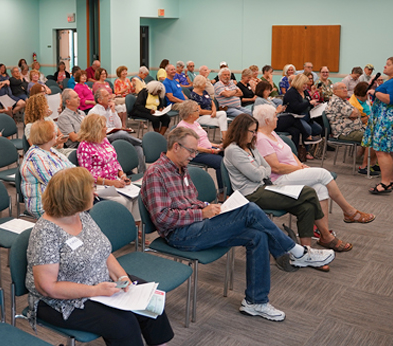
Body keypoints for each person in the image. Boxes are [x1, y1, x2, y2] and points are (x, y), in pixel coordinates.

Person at [141, 126, 334, 321]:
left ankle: (255, 302)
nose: (194, 155)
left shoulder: (181, 168)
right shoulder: (156, 173)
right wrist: (201, 213)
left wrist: (211, 207)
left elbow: (190, 201)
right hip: (180, 235)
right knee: (249, 209)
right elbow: (163, 218)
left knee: (257, 236)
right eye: (192, 151)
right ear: (176, 147)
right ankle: (296, 252)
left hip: (196, 226)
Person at [26, 166, 174, 345]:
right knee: (123, 324)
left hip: (97, 282)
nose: (94, 193)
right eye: (91, 189)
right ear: (75, 196)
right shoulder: (45, 232)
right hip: (58, 301)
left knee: (151, 301)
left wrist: (122, 276)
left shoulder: (81, 215)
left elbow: (103, 252)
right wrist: (94, 291)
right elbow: (47, 287)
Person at [223, 114, 352, 254]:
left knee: (307, 206)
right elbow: (256, 175)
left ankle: (306, 251)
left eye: (255, 131)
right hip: (250, 194)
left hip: (264, 187)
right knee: (308, 192)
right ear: (241, 130)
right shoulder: (233, 150)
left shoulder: (250, 147)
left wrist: (261, 170)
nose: (254, 135)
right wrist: (262, 170)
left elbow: (266, 168)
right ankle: (326, 235)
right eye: (252, 131)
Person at [253, 104, 375, 232]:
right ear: (267, 121)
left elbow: (290, 152)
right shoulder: (261, 139)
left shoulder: (271, 133)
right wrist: (299, 169)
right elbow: (276, 168)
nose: (277, 118)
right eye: (274, 116)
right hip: (279, 179)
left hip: (292, 172)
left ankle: (323, 233)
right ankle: (349, 211)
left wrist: (299, 164)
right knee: (323, 174)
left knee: (320, 188)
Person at [77, 114, 140, 221]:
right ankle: (124, 231)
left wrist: (122, 175)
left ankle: (135, 230)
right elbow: (88, 176)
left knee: (138, 196)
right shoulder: (84, 147)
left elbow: (114, 161)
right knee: (124, 202)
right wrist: (111, 183)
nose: (106, 129)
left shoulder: (104, 140)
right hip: (100, 185)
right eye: (104, 126)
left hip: (115, 180)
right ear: (95, 129)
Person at [20, 120, 74, 218]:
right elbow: (54, 181)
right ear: (47, 135)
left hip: (61, 196)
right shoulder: (34, 156)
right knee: (84, 208)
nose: (56, 134)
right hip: (45, 204)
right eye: (54, 132)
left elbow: (72, 168)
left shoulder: (52, 150)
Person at [89, 89, 146, 173]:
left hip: (116, 134)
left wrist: (113, 111)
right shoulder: (93, 112)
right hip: (104, 138)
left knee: (138, 148)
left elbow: (119, 126)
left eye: (109, 95)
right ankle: (142, 142)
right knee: (122, 133)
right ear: (99, 100)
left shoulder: (110, 108)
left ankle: (142, 173)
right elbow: (96, 132)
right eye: (106, 96)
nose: (109, 97)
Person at [176, 100, 224, 189]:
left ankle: (231, 189)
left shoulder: (196, 123)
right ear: (190, 114)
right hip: (195, 154)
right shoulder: (183, 127)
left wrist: (217, 146)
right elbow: (191, 147)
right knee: (220, 162)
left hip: (206, 149)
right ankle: (223, 192)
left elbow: (203, 140)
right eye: (197, 110)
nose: (199, 112)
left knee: (228, 155)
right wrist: (211, 151)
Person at [363, 57, 393, 194]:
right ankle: (391, 180)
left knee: (382, 151)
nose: (385, 66)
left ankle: (385, 183)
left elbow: (389, 99)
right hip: (384, 119)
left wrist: (375, 92)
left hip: (386, 121)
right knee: (388, 151)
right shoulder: (390, 81)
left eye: (388, 64)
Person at [254, 81, 306, 150]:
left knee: (295, 131)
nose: (269, 92)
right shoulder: (259, 101)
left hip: (276, 119)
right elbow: (262, 117)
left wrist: (281, 110)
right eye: (267, 90)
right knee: (291, 117)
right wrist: (277, 111)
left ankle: (294, 153)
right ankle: (307, 136)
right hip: (269, 123)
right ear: (262, 90)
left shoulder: (267, 99)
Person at [284, 73, 322, 144]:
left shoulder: (305, 92)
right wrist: (309, 103)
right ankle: (305, 151)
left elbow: (308, 102)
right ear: (299, 83)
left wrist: (313, 105)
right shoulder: (291, 93)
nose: (306, 86)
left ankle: (311, 147)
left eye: (306, 84)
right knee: (308, 129)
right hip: (296, 118)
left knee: (318, 129)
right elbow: (296, 107)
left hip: (307, 116)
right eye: (304, 84)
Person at [190, 75, 228, 139]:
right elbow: (200, 111)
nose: (205, 85)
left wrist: (214, 111)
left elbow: (212, 102)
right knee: (222, 121)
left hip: (210, 114)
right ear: (200, 84)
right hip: (200, 117)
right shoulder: (193, 95)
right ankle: (224, 138)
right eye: (204, 83)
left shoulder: (204, 92)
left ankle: (224, 137)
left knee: (223, 113)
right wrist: (211, 112)